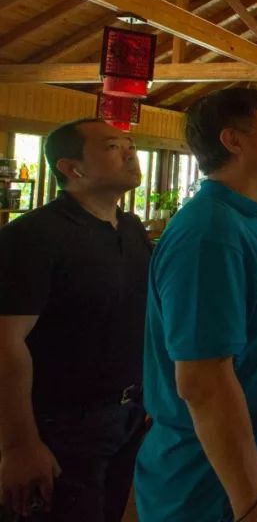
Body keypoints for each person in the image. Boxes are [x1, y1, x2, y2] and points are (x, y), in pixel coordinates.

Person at [136, 88, 257, 522]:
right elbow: (203, 381)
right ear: (233, 141)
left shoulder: (253, 218)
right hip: (219, 487)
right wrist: (253, 501)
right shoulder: (210, 234)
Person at [0, 119, 148, 522]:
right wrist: (18, 445)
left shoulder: (131, 229)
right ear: (72, 168)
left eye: (131, 145)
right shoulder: (33, 236)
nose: (130, 152)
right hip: (59, 425)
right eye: (114, 146)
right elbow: (5, 343)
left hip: (129, 416)